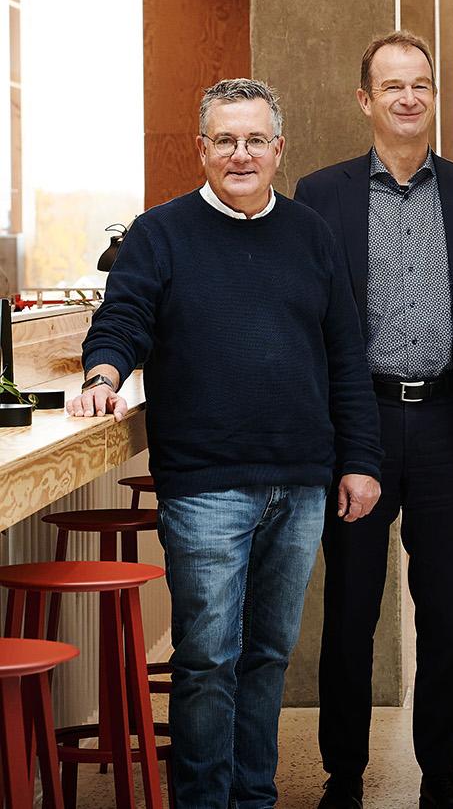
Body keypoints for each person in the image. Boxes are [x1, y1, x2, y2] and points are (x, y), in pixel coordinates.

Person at [68, 78, 382, 809]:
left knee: (268, 655)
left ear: (279, 149)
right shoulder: (159, 233)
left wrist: (360, 461)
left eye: (255, 140)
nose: (241, 154)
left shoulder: (312, 235)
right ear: (202, 148)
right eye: (225, 140)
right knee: (208, 659)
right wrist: (103, 374)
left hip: (300, 480)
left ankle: (253, 798)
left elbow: (345, 356)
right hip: (206, 482)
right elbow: (123, 318)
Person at [294, 30, 453, 809]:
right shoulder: (322, 195)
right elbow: (310, 321)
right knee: (351, 609)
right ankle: (343, 775)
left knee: (444, 614)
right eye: (392, 86)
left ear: (434, 96)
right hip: (362, 426)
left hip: (446, 426)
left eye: (421, 84)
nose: (408, 98)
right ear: (365, 99)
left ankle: (441, 775)